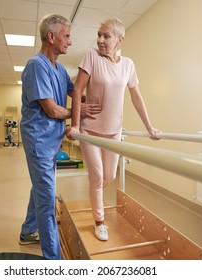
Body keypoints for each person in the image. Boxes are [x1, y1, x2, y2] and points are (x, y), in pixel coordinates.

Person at [66, 18, 159, 242]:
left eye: (106, 36)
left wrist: (149, 127)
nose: (100, 40)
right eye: (99, 35)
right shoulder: (91, 56)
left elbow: (136, 96)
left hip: (114, 132)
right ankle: (99, 222)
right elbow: (78, 91)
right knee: (97, 176)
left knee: (109, 176)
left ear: (119, 40)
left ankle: (94, 193)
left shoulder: (128, 64)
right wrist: (75, 124)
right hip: (90, 131)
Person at [18, 13, 74, 260]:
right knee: (47, 197)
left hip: (52, 141)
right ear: (51, 36)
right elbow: (51, 109)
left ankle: (28, 231)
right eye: (67, 36)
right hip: (39, 142)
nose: (69, 42)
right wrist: (75, 115)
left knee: (40, 188)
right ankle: (53, 261)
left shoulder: (60, 70)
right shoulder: (36, 66)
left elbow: (79, 93)